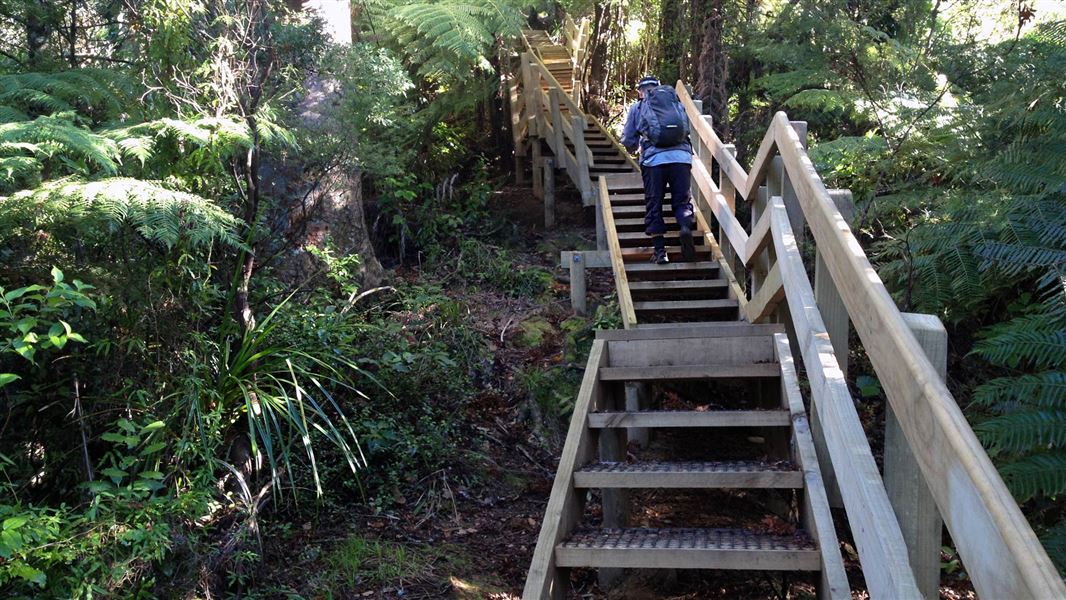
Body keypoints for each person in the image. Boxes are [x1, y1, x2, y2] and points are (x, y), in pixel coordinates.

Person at [621, 75, 696, 264]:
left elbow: (629, 138)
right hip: (681, 158)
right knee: (682, 200)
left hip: (654, 161)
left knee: (654, 203)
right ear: (658, 87)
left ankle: (661, 251)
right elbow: (685, 130)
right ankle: (685, 227)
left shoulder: (638, 107)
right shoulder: (675, 102)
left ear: (640, 91)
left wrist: (634, 151)